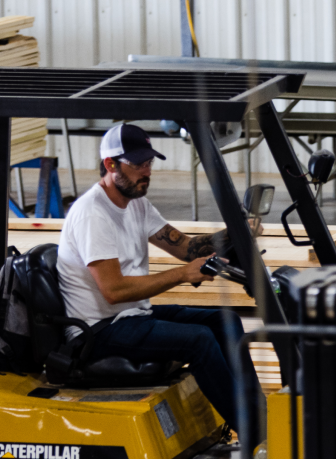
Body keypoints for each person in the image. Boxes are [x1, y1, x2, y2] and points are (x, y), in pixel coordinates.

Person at [56, 123, 263, 432]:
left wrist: (234, 233)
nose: (146, 171)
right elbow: (113, 290)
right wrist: (182, 275)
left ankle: (263, 417)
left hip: (132, 316)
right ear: (110, 164)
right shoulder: (92, 214)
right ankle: (253, 434)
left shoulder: (137, 204)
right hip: (99, 331)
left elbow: (187, 248)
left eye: (149, 163)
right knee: (200, 340)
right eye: (138, 163)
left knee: (226, 321)